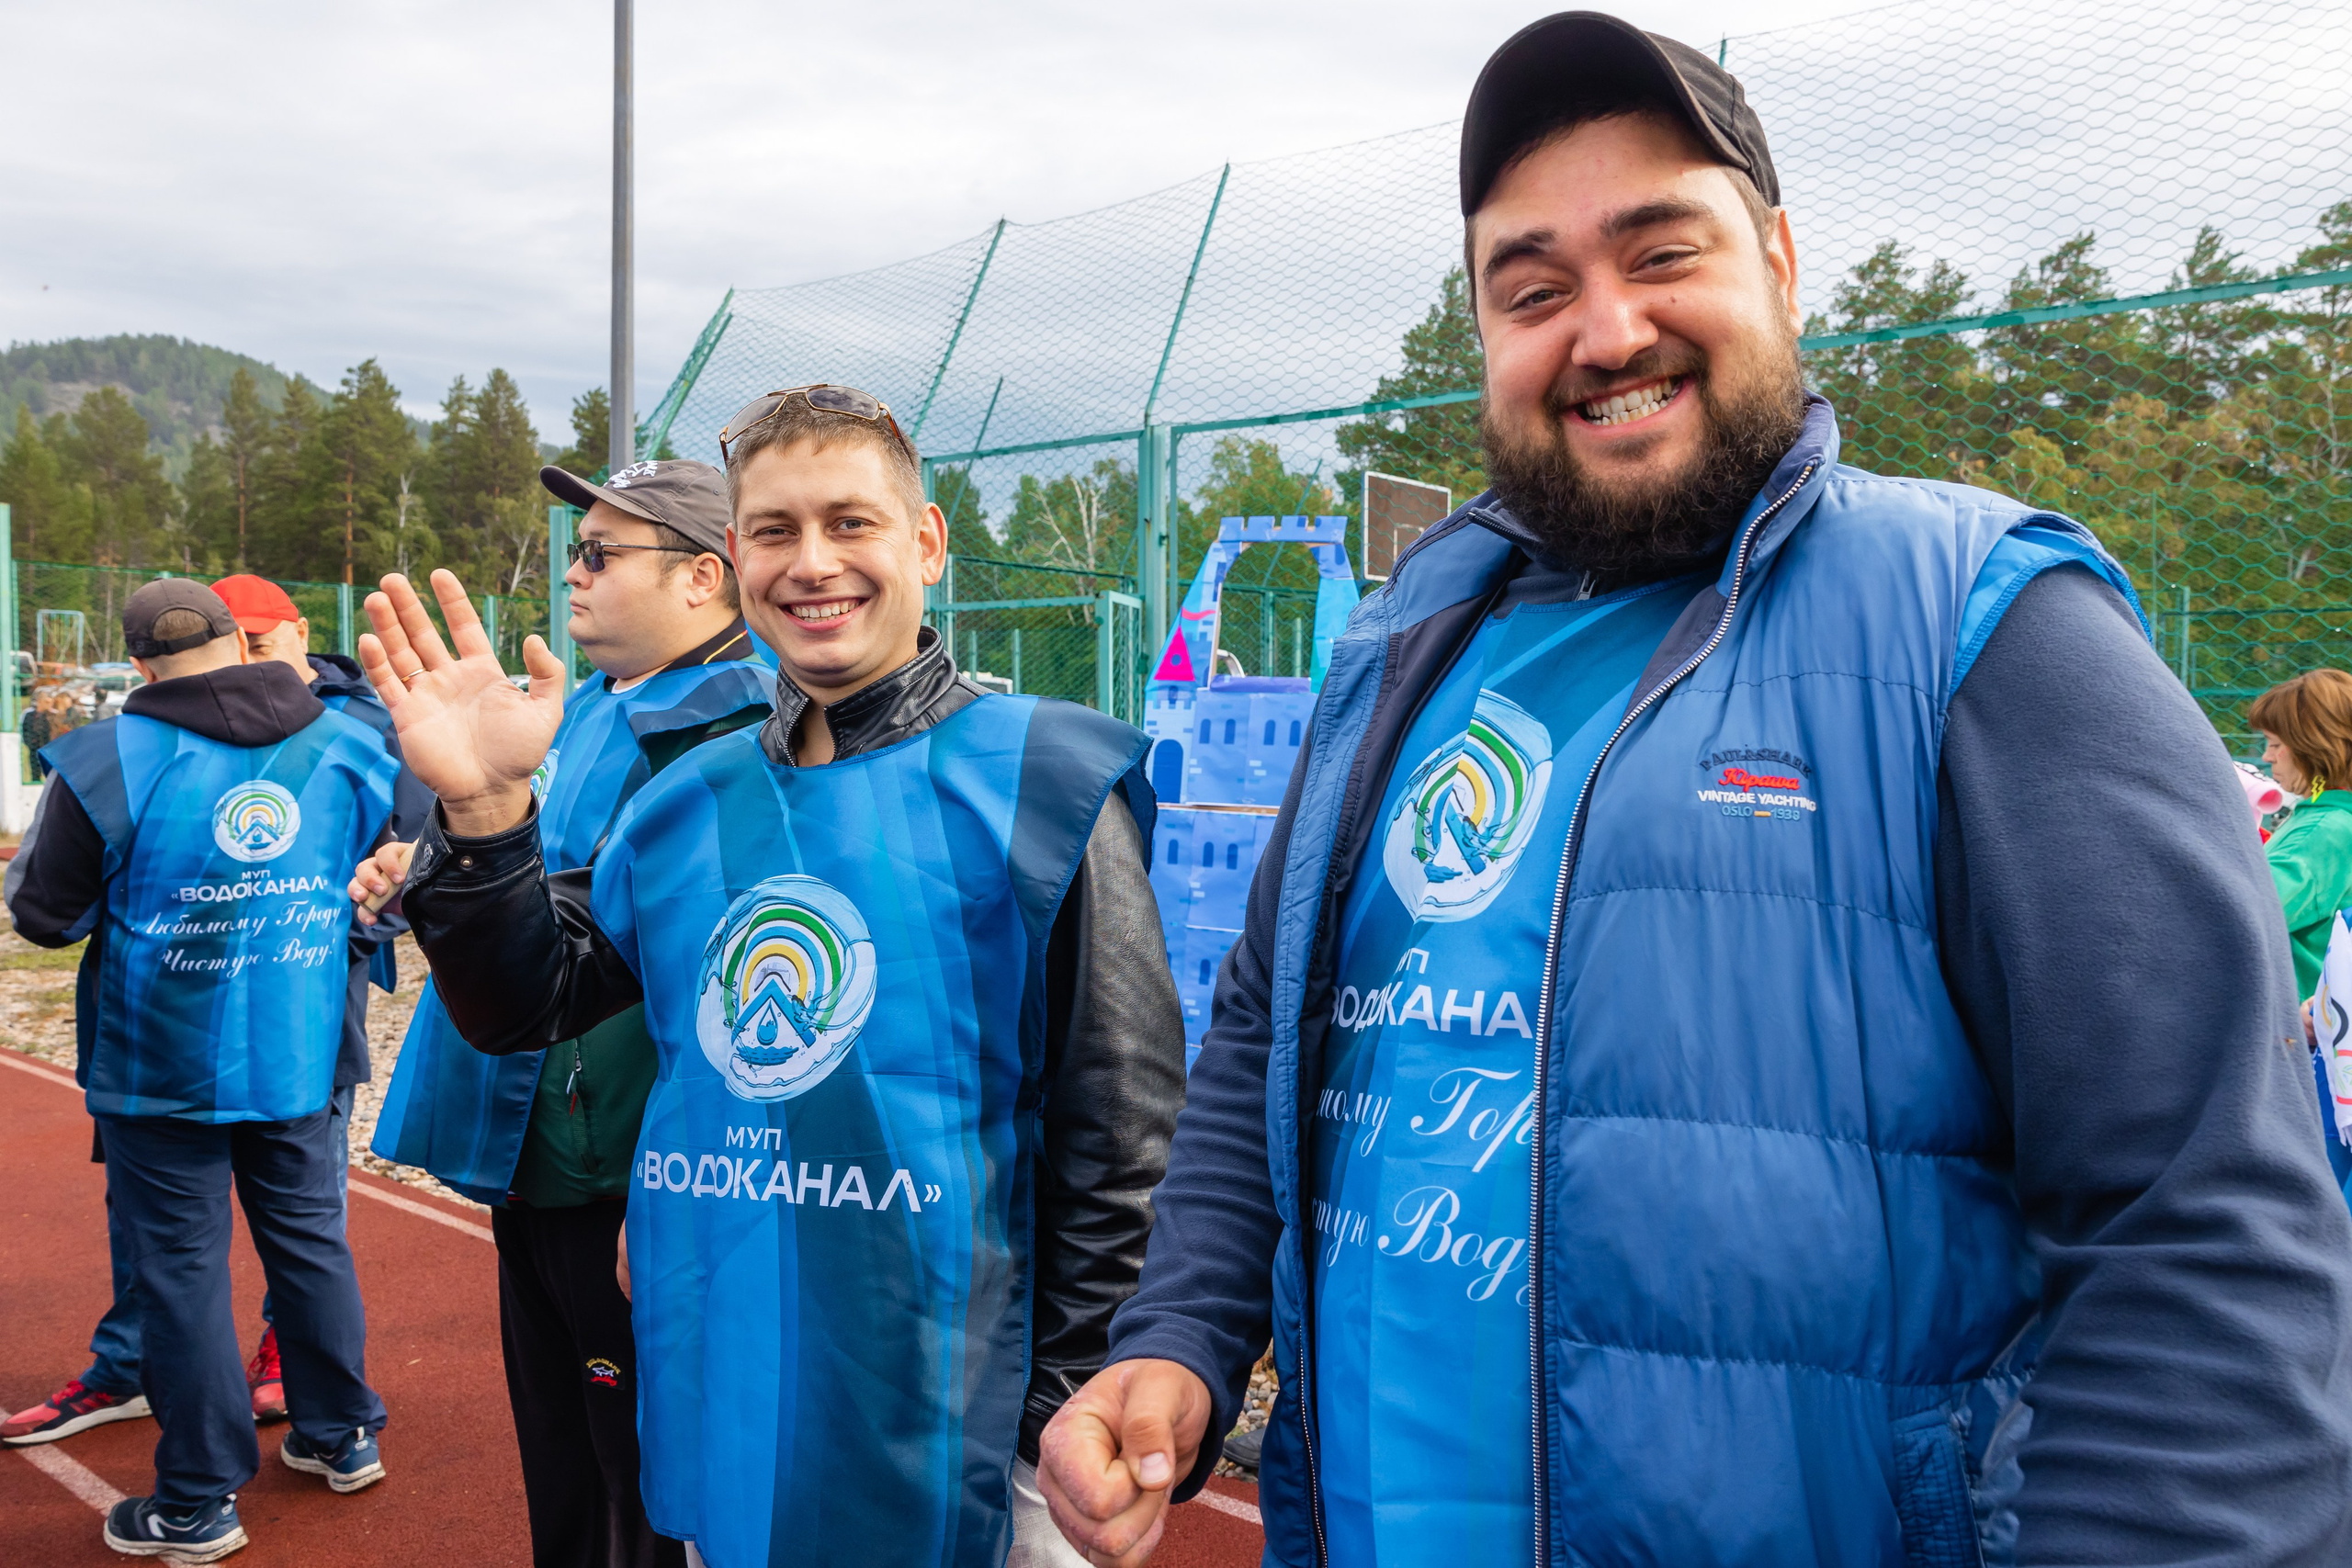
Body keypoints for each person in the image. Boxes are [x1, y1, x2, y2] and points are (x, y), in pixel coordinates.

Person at [1040, 15, 2352, 1568]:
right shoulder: (1401, 645)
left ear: (1783, 265)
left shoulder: (1989, 629)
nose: (1602, 330)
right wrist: (1183, 1327)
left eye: (1661, 253)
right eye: (1532, 288)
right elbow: (1270, 1022)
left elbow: (2204, 1251)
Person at [346, 389, 1185, 1568]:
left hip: (969, 1431)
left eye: (852, 523)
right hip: (730, 1400)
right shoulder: (690, 801)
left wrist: (1061, 1415)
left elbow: (1127, 1141)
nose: (814, 564)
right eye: (778, 532)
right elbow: (521, 1005)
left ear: (926, 544)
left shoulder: (1045, 782)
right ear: (735, 559)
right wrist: (485, 813)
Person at [369, 459, 772, 1568]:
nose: (574, 574)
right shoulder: (590, 706)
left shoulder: (747, 737)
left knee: (639, 1482)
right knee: (562, 1461)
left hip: (630, 1170)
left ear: (704, 578)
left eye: (601, 553)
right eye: (573, 548)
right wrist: (442, 855)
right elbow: (539, 865)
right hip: (535, 1147)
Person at [6, 580, 399, 1561]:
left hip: (159, 1058)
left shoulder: (105, 759)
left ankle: (197, 1497)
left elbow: (44, 915)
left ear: (139, 666)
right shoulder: (353, 741)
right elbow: (389, 882)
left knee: (179, 1270)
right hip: (301, 1045)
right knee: (309, 1240)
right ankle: (340, 1433)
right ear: (239, 642)